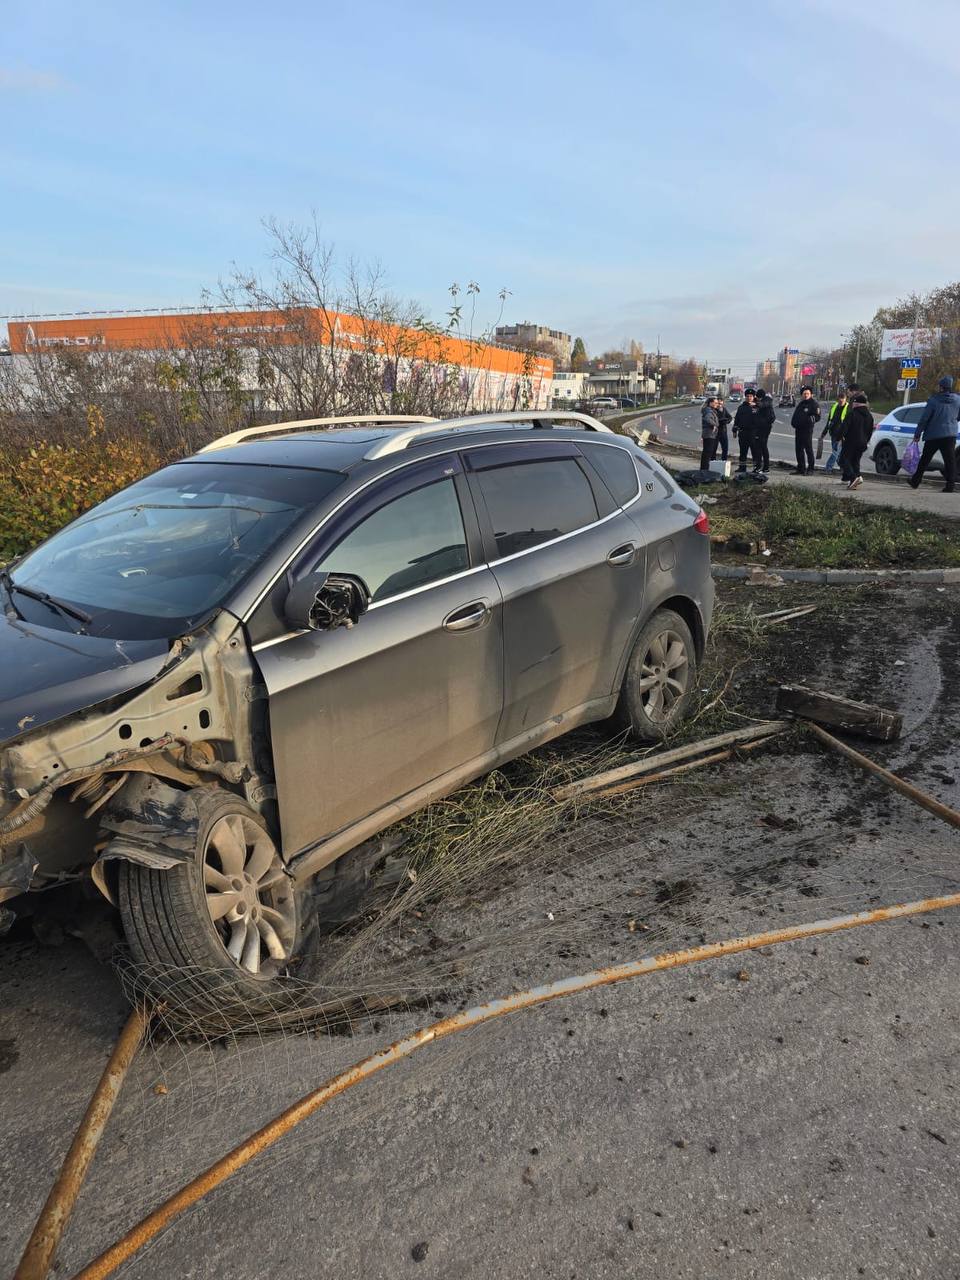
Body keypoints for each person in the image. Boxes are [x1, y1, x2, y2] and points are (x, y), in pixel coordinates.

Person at [908, 375, 960, 493]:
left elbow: (924, 419)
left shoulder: (934, 400)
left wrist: (917, 434)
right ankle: (950, 485)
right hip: (950, 434)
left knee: (925, 459)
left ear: (941, 387)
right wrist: (953, 421)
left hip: (934, 435)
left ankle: (915, 481)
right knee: (950, 461)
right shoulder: (958, 399)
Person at [838, 392, 873, 489]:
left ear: (856, 404)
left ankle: (853, 478)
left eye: (854, 403)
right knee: (855, 461)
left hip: (851, 442)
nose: (852, 404)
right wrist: (865, 441)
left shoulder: (852, 414)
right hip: (863, 443)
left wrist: (839, 437)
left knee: (843, 460)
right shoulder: (869, 416)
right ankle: (857, 477)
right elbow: (870, 431)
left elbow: (844, 428)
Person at [790, 386, 821, 474]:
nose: (806, 395)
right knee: (798, 450)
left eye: (807, 393)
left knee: (808, 450)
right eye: (804, 394)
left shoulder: (814, 404)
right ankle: (801, 468)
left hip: (807, 430)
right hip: (798, 430)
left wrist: (808, 421)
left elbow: (817, 416)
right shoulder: (801, 404)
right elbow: (796, 416)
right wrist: (794, 423)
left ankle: (810, 469)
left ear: (811, 394)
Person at [819, 390, 849, 473]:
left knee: (835, 452)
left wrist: (845, 435)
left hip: (842, 435)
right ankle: (844, 468)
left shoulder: (848, 409)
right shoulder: (834, 407)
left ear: (846, 399)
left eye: (842, 400)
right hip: (833, 434)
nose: (841, 402)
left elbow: (849, 424)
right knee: (837, 453)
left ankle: (828, 468)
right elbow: (829, 421)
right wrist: (823, 433)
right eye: (839, 400)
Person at [733, 388, 760, 472]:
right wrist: (734, 430)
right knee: (743, 452)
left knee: (754, 452)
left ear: (754, 397)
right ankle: (742, 467)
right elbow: (737, 419)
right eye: (747, 396)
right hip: (743, 432)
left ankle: (756, 468)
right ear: (745, 397)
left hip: (753, 432)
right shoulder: (741, 407)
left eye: (751, 396)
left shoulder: (758, 407)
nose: (749, 398)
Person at [754, 389, 776, 473]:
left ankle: (765, 467)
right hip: (760, 428)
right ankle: (759, 466)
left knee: (762, 447)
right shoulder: (764, 402)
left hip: (764, 428)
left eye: (758, 397)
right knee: (759, 447)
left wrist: (756, 403)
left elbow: (762, 405)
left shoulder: (767, 401)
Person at [700, 395, 721, 470]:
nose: (717, 404)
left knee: (707, 452)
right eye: (715, 403)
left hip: (709, 433)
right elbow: (707, 419)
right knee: (708, 452)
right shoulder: (709, 411)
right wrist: (714, 425)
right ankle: (704, 469)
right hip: (709, 433)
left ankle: (704, 468)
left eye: (717, 403)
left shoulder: (709, 410)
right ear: (710, 403)